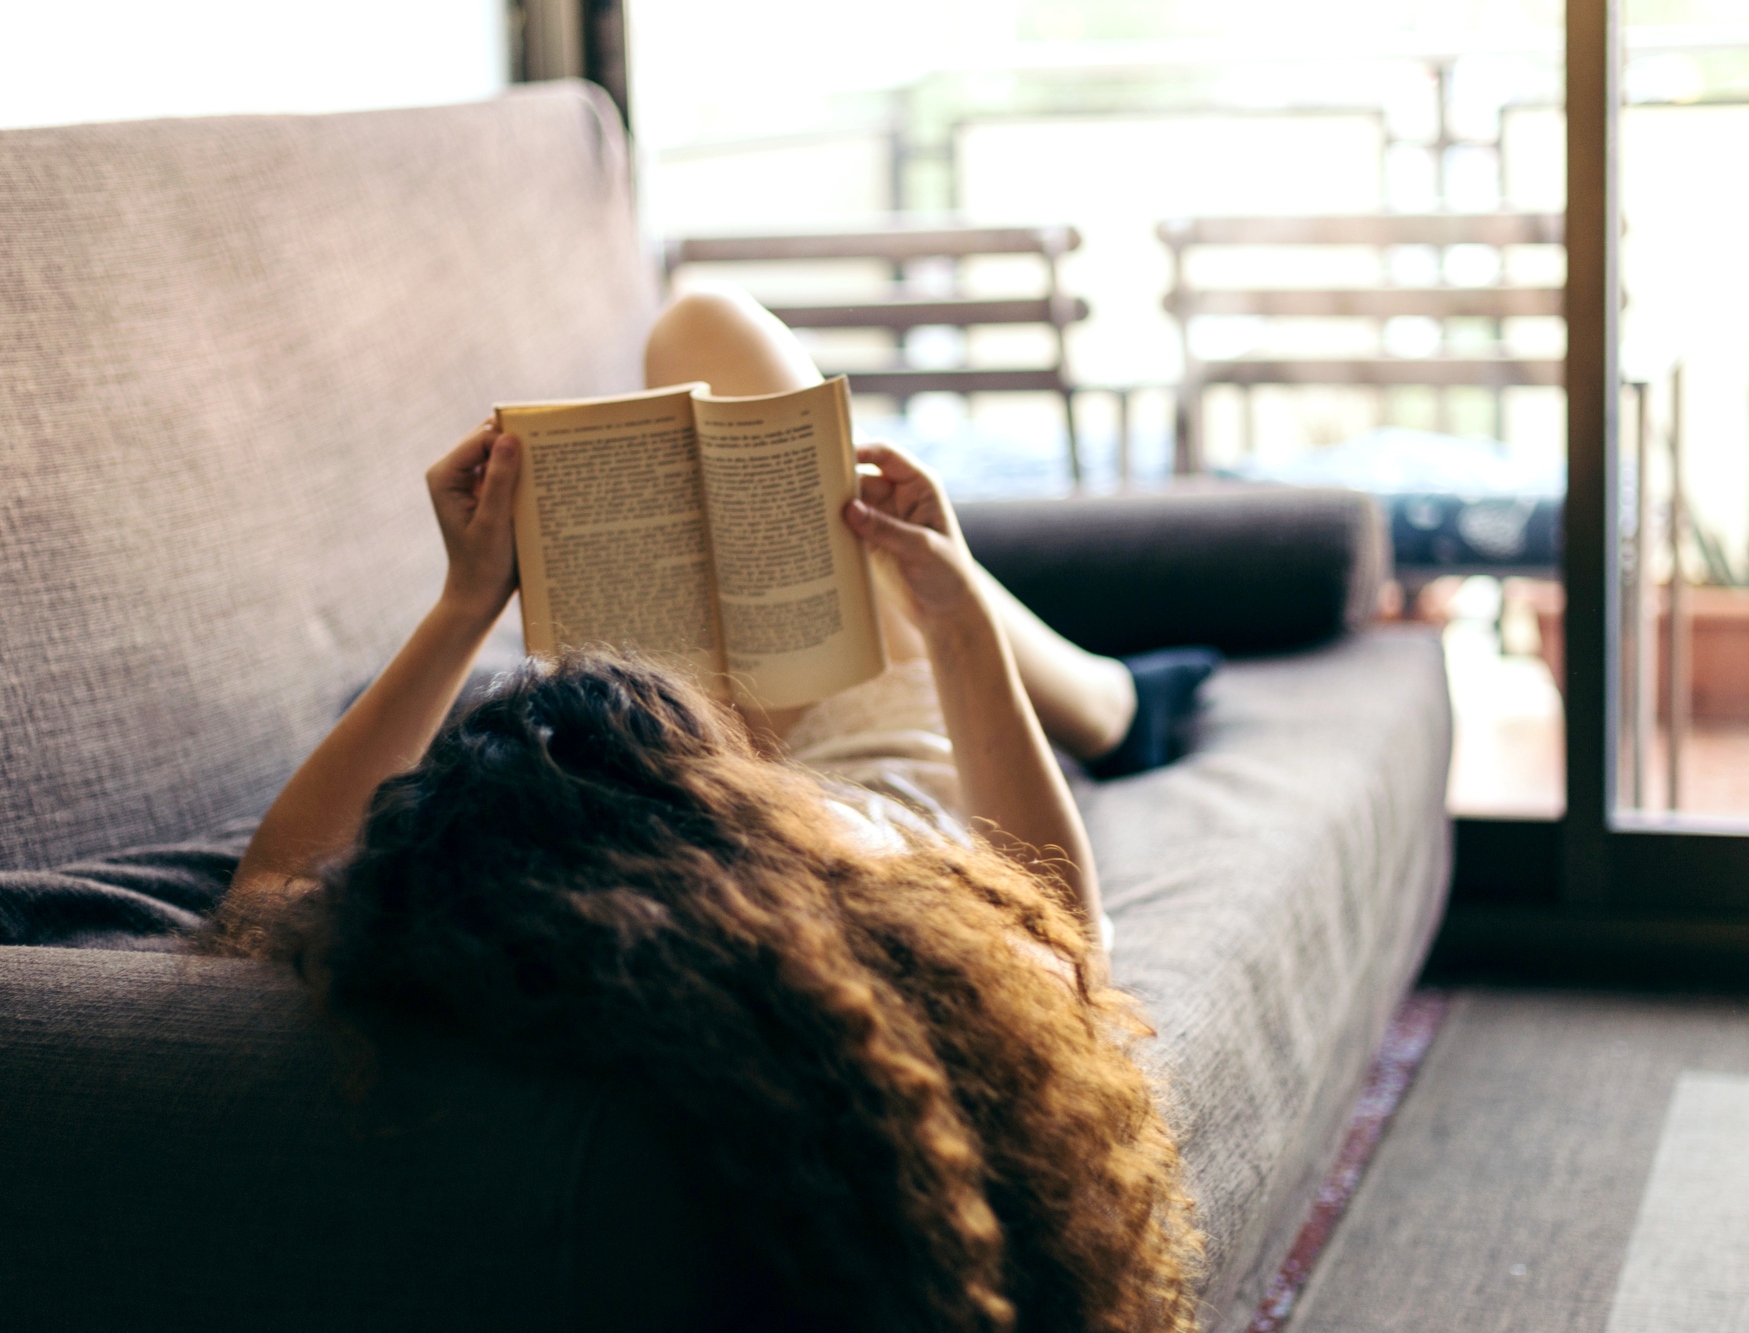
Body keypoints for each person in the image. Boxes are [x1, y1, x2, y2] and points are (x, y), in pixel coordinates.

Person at [214, 288, 1206, 1331]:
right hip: (886, 742)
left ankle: (1098, 692)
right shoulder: (885, 913)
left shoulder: (575, 910)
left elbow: (264, 896)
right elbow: (1070, 933)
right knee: (709, 333)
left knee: (700, 352)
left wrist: (469, 602)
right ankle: (1112, 702)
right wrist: (957, 625)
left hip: (692, 786)